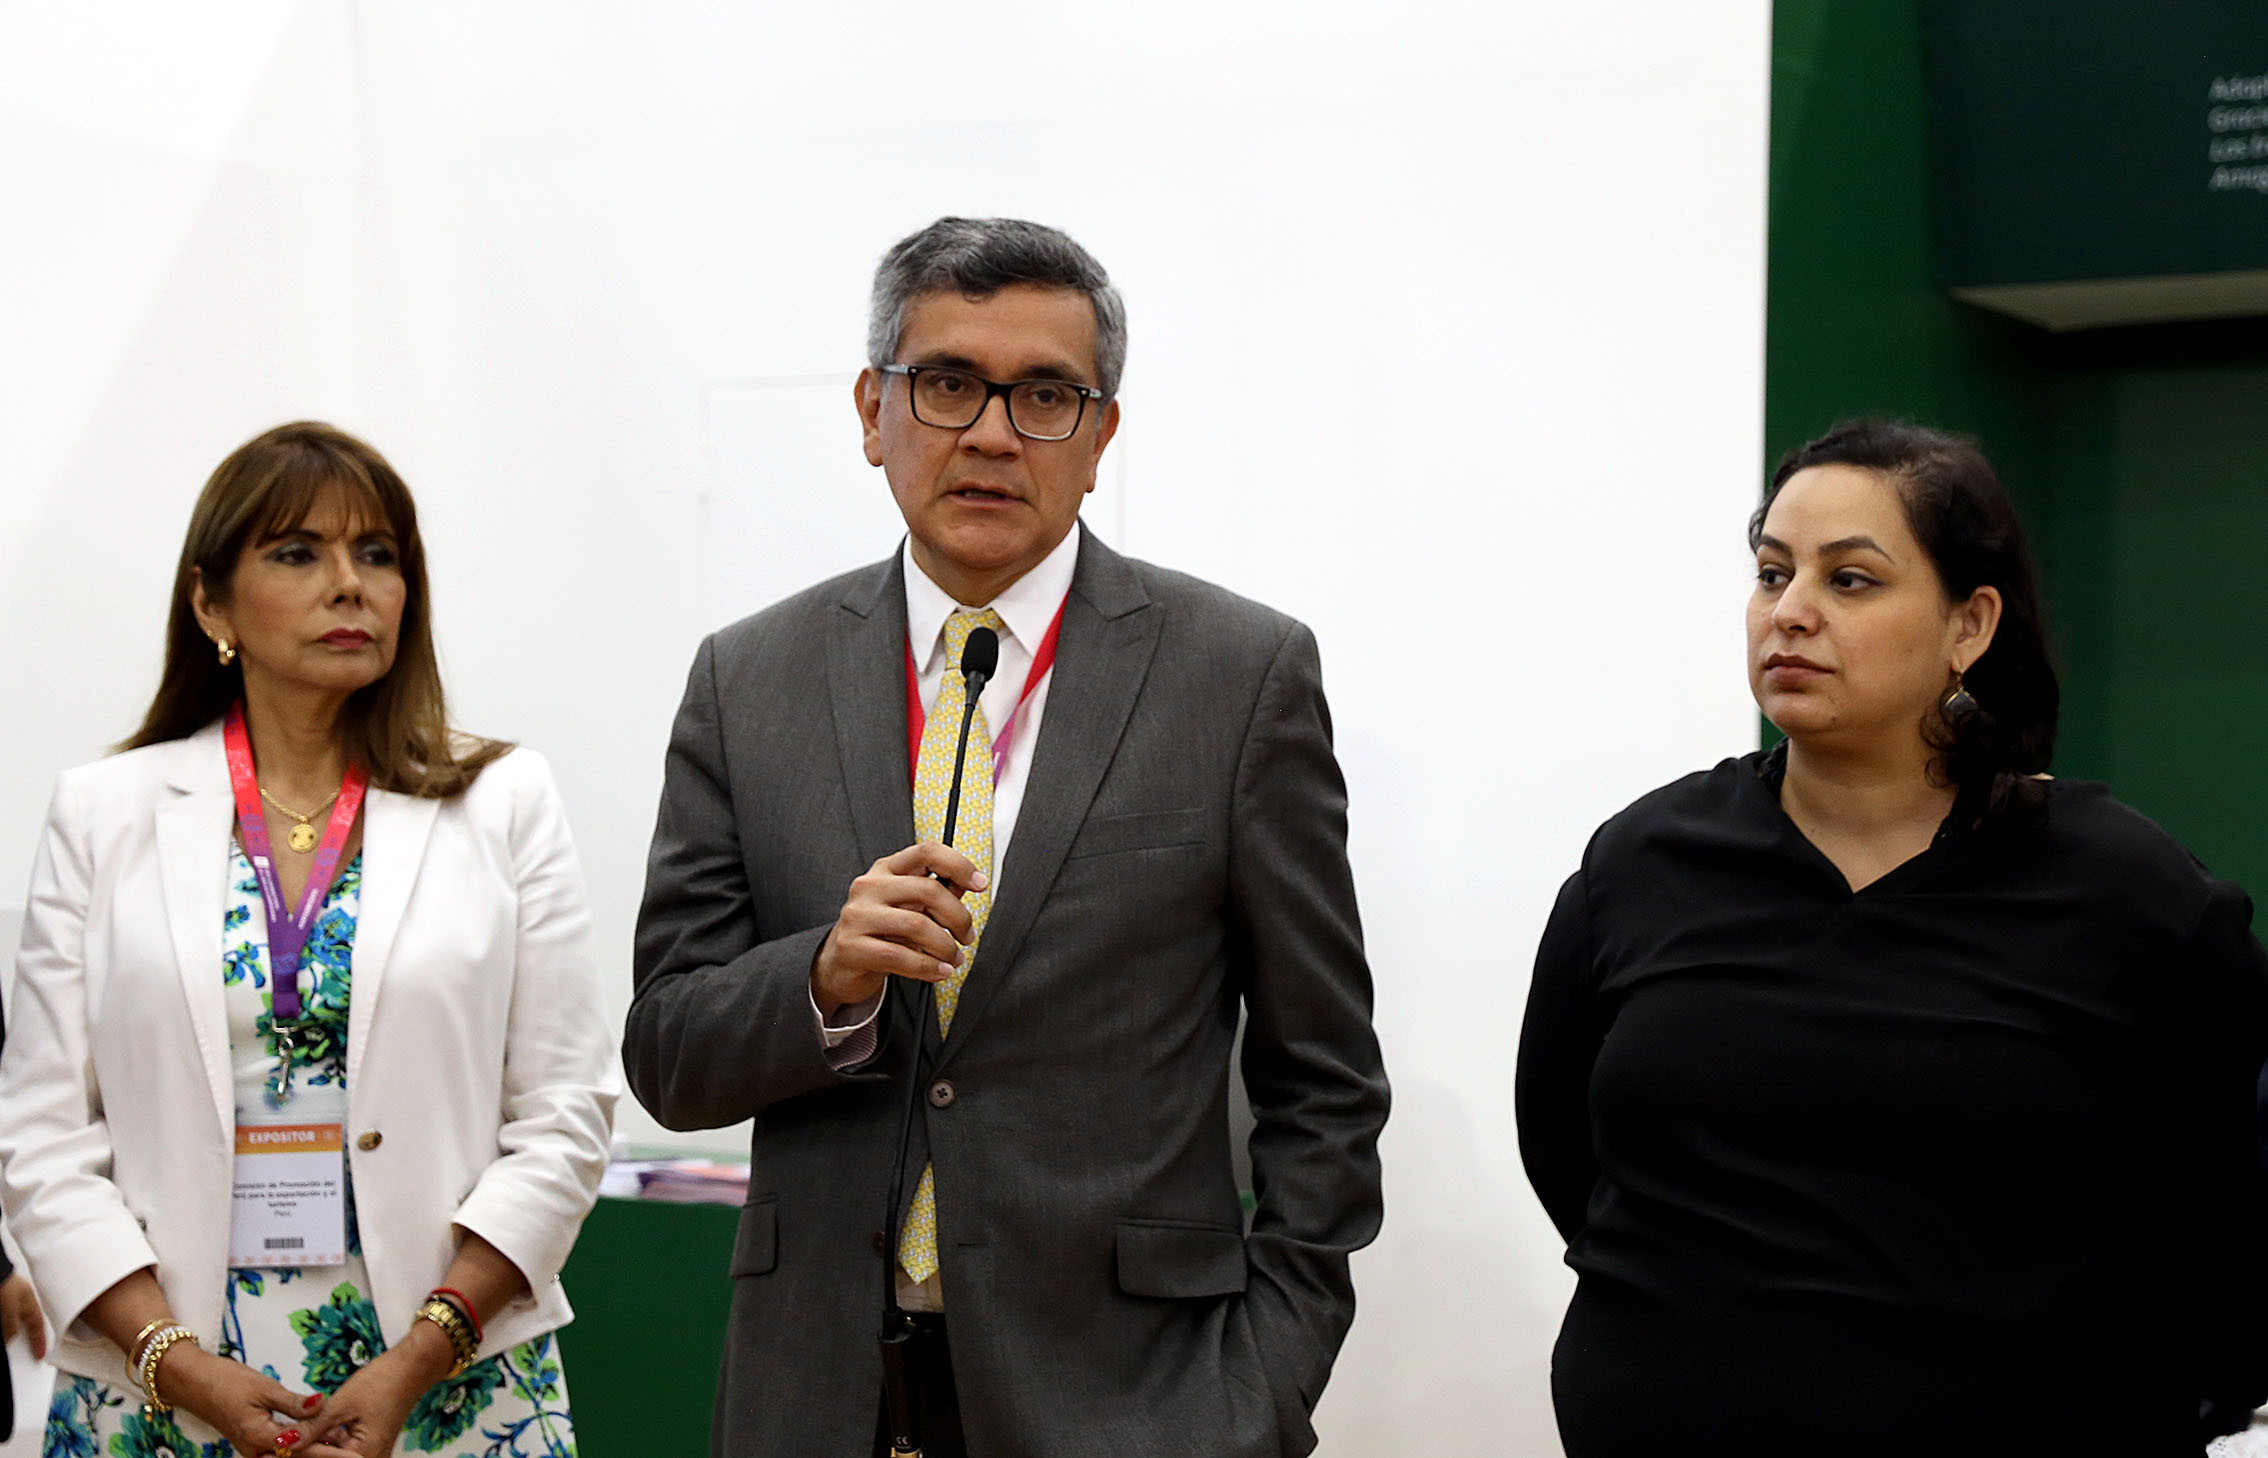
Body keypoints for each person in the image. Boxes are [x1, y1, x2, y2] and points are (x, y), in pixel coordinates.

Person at [624, 216, 1389, 1458]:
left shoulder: (1237, 677)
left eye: (1044, 395)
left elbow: (1327, 1083)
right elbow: (668, 1052)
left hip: (1134, 1405)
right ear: (873, 412)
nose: (989, 433)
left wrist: (1257, 1393)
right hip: (816, 1391)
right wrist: (824, 979)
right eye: (947, 384)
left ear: (1101, 437)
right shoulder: (747, 680)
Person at [1516, 418, 2268, 1457]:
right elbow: (1565, 1151)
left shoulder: (2127, 892)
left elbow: (2234, 1205)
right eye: (1772, 573)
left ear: (1970, 624)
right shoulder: (1643, 862)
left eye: (1850, 580)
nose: (1791, 611)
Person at [1, 423, 618, 1458]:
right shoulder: (102, 812)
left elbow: (567, 1111)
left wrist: (421, 1354)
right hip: (161, 1384)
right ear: (210, 604)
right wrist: (175, 1363)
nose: (349, 585)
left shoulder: (504, 799)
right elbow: (43, 1134)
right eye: (297, 553)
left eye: (377, 554)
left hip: (452, 1383)